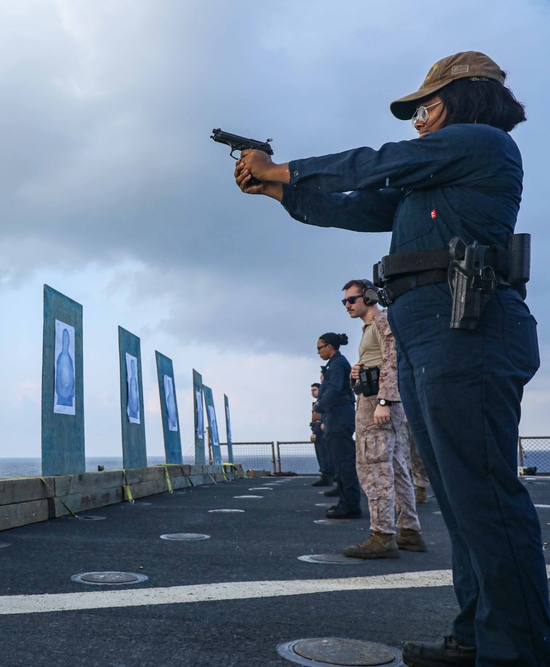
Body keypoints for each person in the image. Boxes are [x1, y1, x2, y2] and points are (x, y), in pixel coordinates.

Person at [232, 51, 549, 667]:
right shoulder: (436, 179)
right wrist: (277, 191)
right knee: (462, 502)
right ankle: (477, 636)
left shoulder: (482, 142)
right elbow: (358, 204)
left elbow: (379, 162)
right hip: (438, 332)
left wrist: (286, 168)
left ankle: (518, 651)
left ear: (465, 98)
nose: (419, 122)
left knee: (481, 493)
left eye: (426, 107)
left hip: (469, 327)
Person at [339, 279, 424, 558]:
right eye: (345, 302)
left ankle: (382, 535)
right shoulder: (371, 327)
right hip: (378, 400)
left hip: (378, 404)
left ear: (370, 296)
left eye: (352, 300)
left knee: (374, 467)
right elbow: (380, 361)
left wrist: (385, 401)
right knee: (398, 466)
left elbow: (393, 359)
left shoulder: (381, 322)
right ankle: (409, 531)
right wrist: (358, 373)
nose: (348, 305)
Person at [311, 333, 361, 518]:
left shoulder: (338, 364)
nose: (318, 352)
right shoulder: (335, 364)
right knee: (340, 461)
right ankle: (344, 501)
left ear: (330, 347)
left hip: (340, 416)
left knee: (344, 462)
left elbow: (334, 389)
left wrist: (320, 408)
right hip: (336, 417)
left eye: (320, 347)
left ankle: (350, 505)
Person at [309, 382, 332, 486]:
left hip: (321, 432)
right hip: (319, 430)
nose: (312, 392)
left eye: (314, 390)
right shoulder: (318, 402)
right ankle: (327, 475)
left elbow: (320, 418)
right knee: (322, 454)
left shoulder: (322, 402)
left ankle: (327, 476)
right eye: (311, 390)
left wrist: (315, 432)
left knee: (323, 454)